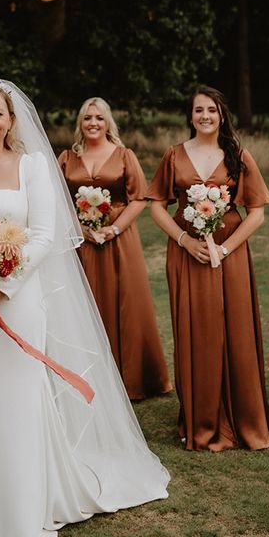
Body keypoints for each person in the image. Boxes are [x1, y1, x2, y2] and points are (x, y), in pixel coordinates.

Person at [0, 79, 170, 537]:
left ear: (12, 120)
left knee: (15, 404)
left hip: (16, 299)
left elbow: (42, 236)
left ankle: (17, 515)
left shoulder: (32, 166)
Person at [146, 85, 269, 451]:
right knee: (195, 329)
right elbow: (156, 204)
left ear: (221, 115)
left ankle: (242, 417)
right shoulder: (174, 155)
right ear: (190, 116)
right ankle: (201, 419)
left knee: (236, 329)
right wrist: (186, 242)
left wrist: (226, 249)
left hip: (229, 254)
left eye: (211, 110)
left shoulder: (238, 155)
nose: (205, 116)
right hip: (187, 254)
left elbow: (258, 213)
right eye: (198, 110)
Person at [57, 98, 171, 400]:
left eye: (99, 118)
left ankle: (135, 379)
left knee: (128, 304)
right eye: (87, 118)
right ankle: (88, 376)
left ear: (108, 122)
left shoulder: (124, 155)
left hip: (120, 240)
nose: (93, 123)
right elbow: (57, 200)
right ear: (80, 123)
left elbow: (139, 199)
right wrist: (80, 229)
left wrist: (113, 228)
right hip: (81, 243)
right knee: (84, 304)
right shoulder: (67, 158)